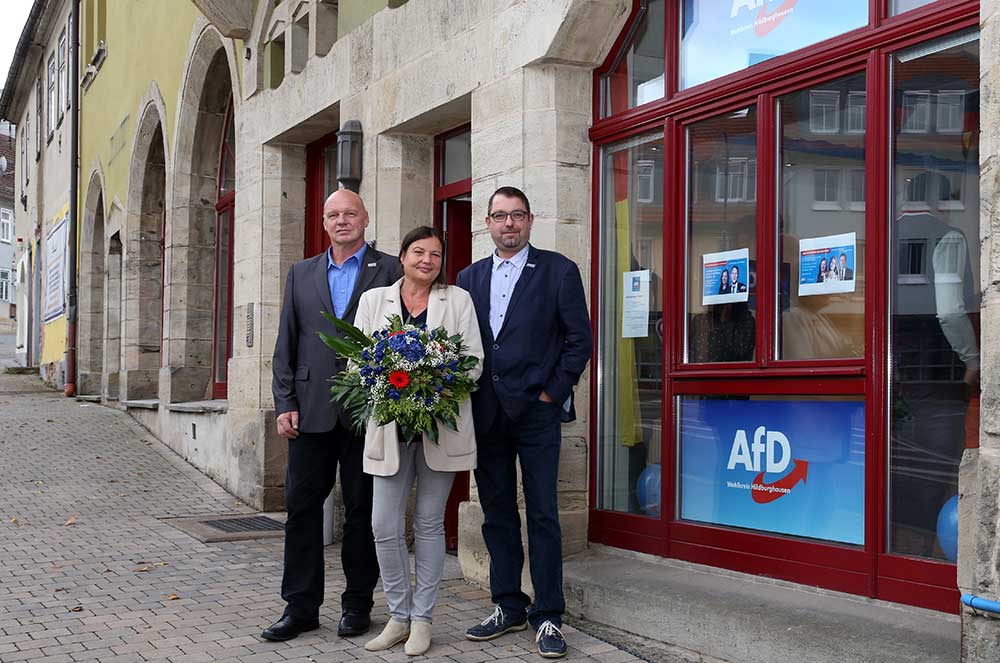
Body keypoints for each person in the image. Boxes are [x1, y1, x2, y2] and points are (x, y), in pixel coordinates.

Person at [456, 186, 593, 658]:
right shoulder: (468, 278)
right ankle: (508, 605)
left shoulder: (558, 270)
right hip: (486, 413)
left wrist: (550, 394)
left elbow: (579, 341)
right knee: (497, 515)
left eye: (517, 215)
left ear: (530, 220)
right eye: (499, 216)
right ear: (487, 223)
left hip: (536, 414)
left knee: (542, 514)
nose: (508, 224)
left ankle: (549, 615)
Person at [265, 189, 403, 642]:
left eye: (350, 214)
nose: (342, 221)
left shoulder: (390, 269)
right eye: (333, 215)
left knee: (363, 511)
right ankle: (300, 607)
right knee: (302, 510)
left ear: (365, 219)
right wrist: (284, 403)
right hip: (309, 413)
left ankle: (358, 605)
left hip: (368, 412)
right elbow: (286, 343)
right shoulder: (301, 273)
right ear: (323, 223)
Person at [355, 227, 484, 656]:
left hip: (440, 429)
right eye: (418, 252)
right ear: (403, 257)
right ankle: (398, 615)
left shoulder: (457, 300)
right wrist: (394, 389)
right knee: (383, 524)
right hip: (389, 429)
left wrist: (433, 382)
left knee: (429, 524)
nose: (427, 260)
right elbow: (358, 364)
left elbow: (474, 364)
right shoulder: (375, 301)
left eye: (435, 254)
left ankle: (423, 620)